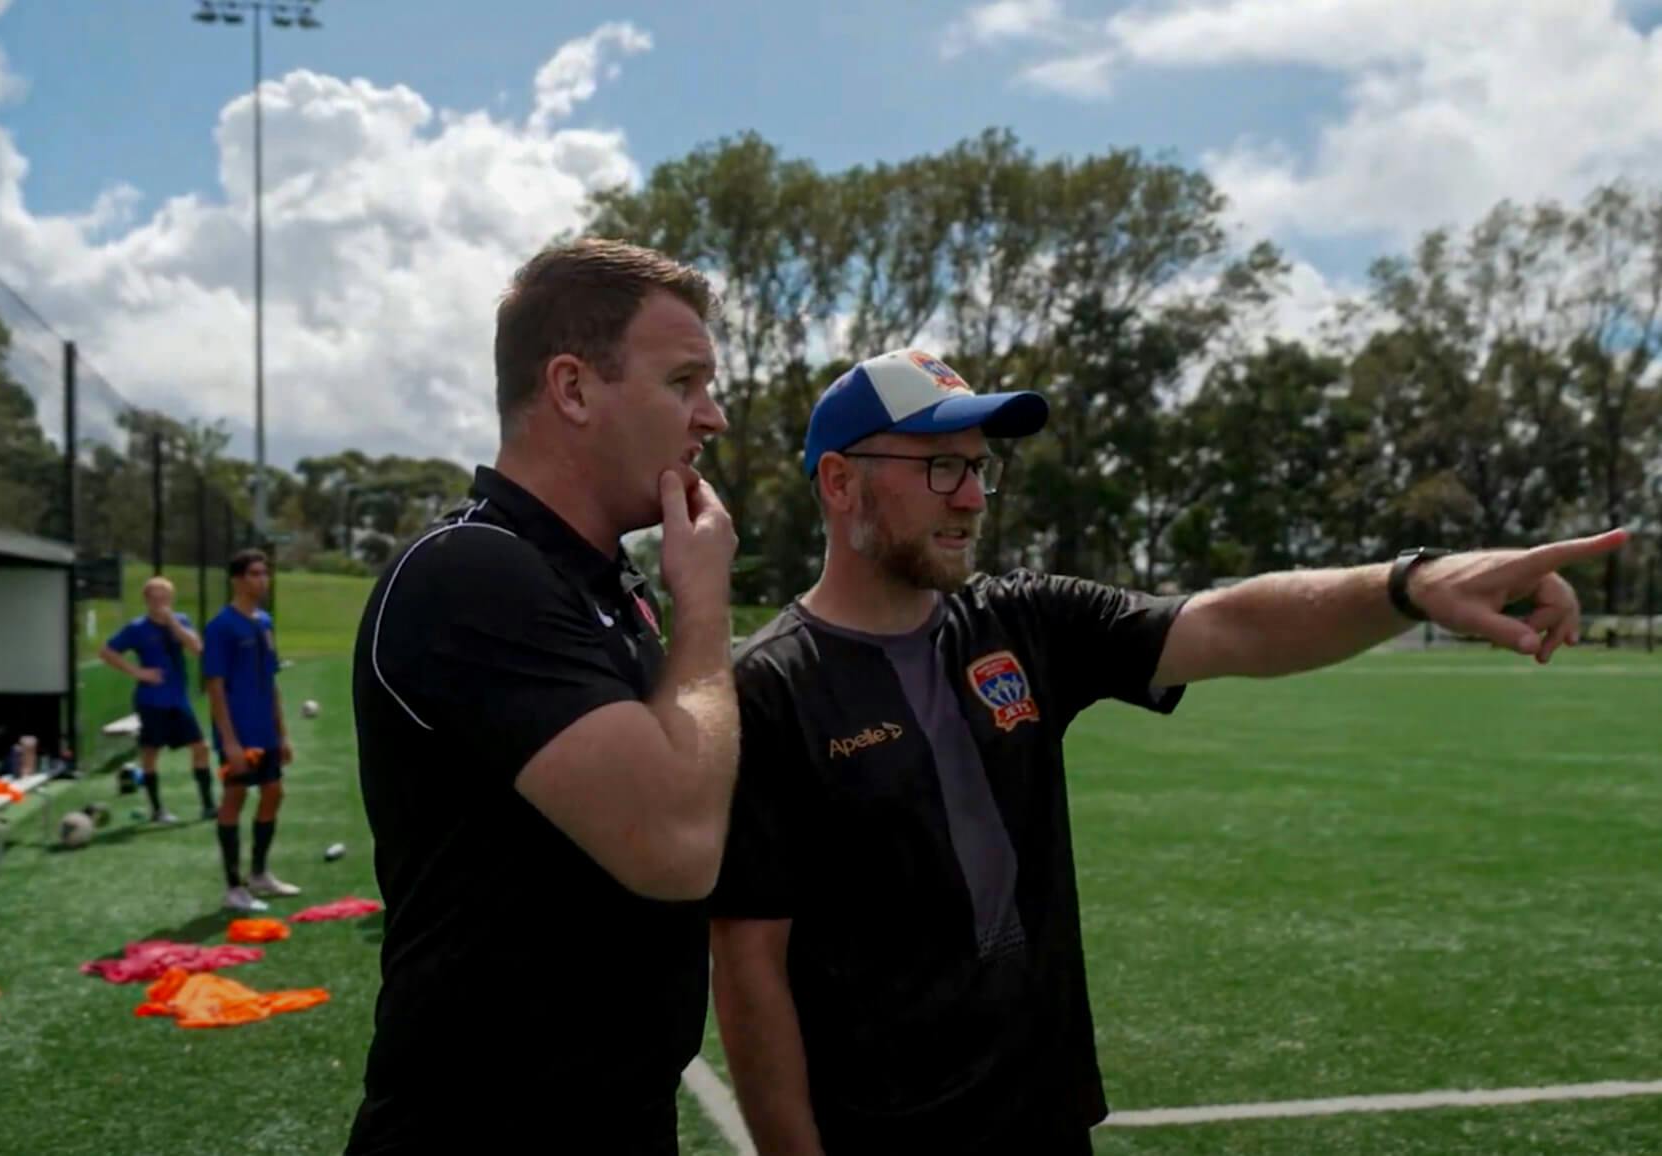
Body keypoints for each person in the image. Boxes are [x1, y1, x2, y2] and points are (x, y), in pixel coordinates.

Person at [705, 347, 1630, 1154]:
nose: (975, 497)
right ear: (840, 482)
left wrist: (1411, 584)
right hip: (885, 1135)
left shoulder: (1023, 620)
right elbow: (750, 968)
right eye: (943, 467)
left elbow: (1231, 625)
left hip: (1046, 1118)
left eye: (982, 468)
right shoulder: (770, 689)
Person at [344, 238, 742, 1154]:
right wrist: (707, 601)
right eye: (683, 382)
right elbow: (676, 847)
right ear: (572, 389)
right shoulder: (475, 574)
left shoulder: (604, 586)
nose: (711, 416)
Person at [201, 548, 301, 913]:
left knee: (273, 792)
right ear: (238, 579)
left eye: (265, 573)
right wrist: (228, 740)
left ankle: (259, 874)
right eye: (256, 574)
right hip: (238, 732)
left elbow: (271, 681)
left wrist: (283, 733)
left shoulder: (264, 622)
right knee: (235, 798)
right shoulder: (221, 627)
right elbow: (214, 686)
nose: (263, 580)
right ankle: (233, 887)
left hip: (265, 730)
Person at [97, 575, 215, 823]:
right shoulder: (137, 628)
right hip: (151, 701)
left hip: (178, 700)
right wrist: (138, 672)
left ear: (170, 599)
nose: (159, 602)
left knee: (200, 747)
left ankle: (208, 805)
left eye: (164, 597)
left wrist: (172, 621)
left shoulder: (180, 621)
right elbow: (107, 652)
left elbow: (197, 648)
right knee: (150, 753)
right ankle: (157, 810)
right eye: (154, 597)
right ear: (146, 600)